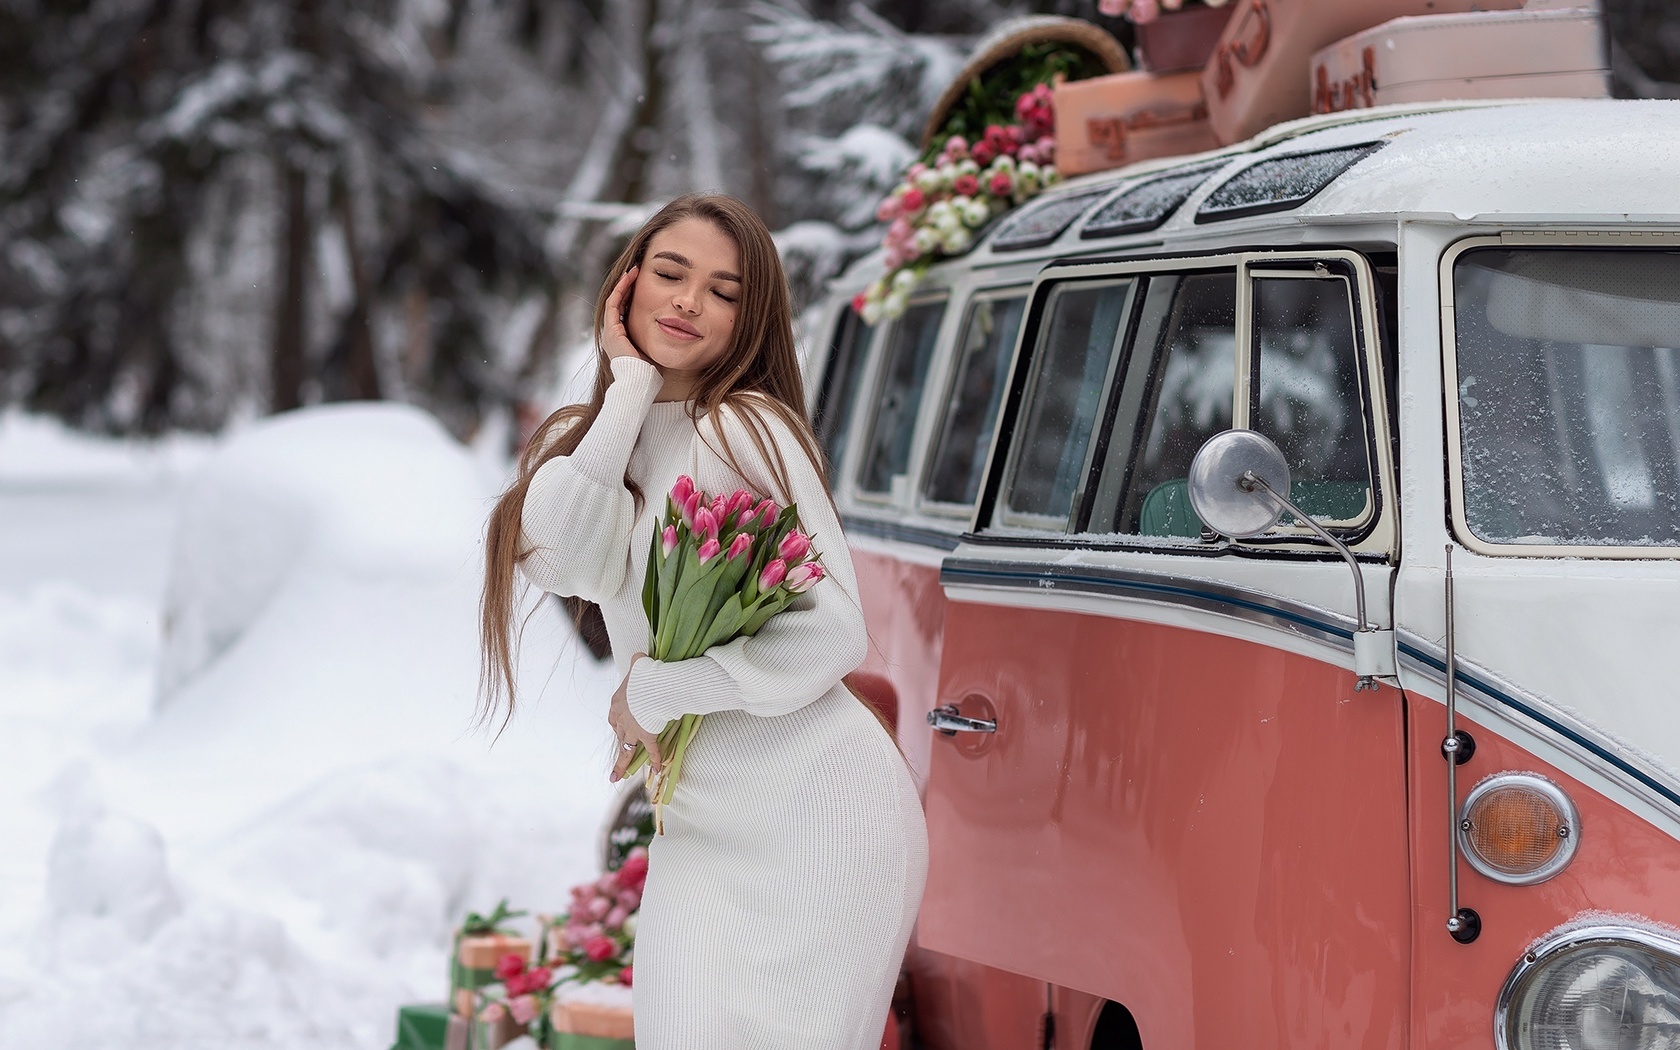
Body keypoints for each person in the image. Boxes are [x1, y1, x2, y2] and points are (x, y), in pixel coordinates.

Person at [480, 194, 927, 1049]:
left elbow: (834, 632)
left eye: (722, 291)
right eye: (671, 273)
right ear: (627, 283)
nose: (688, 302)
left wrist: (662, 687)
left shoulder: (744, 430)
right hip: (698, 825)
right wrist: (629, 392)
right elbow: (558, 555)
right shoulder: (597, 440)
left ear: (749, 320)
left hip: (820, 815)